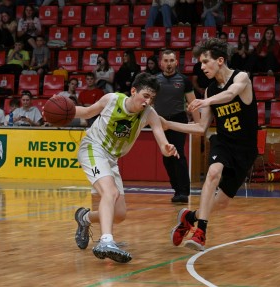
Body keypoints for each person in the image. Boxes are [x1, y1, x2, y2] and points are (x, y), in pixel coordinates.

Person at [71, 72, 179, 263]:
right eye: (145, 96)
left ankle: (84, 218)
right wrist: (67, 110)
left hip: (111, 158)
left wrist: (167, 148)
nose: (147, 102)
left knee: (119, 214)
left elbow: (161, 139)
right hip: (93, 148)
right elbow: (88, 112)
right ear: (133, 91)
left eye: (152, 98)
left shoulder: (149, 114)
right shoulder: (112, 100)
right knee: (110, 193)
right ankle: (106, 241)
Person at [167, 37, 258, 251]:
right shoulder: (209, 90)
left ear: (220, 60)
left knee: (223, 202)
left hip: (245, 150)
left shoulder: (241, 77)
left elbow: (230, 94)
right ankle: (201, 233)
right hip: (223, 143)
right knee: (213, 173)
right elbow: (201, 128)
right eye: (200, 63)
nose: (202, 66)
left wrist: (205, 101)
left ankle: (190, 217)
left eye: (205, 61)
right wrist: (167, 124)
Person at [154, 49, 200, 204]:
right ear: (161, 63)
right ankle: (176, 189)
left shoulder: (184, 80)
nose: (168, 64)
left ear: (176, 62)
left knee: (178, 154)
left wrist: (199, 124)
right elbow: (149, 102)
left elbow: (193, 103)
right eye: (165, 61)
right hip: (160, 123)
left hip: (178, 121)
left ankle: (183, 192)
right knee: (166, 156)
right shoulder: (154, 80)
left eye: (171, 60)